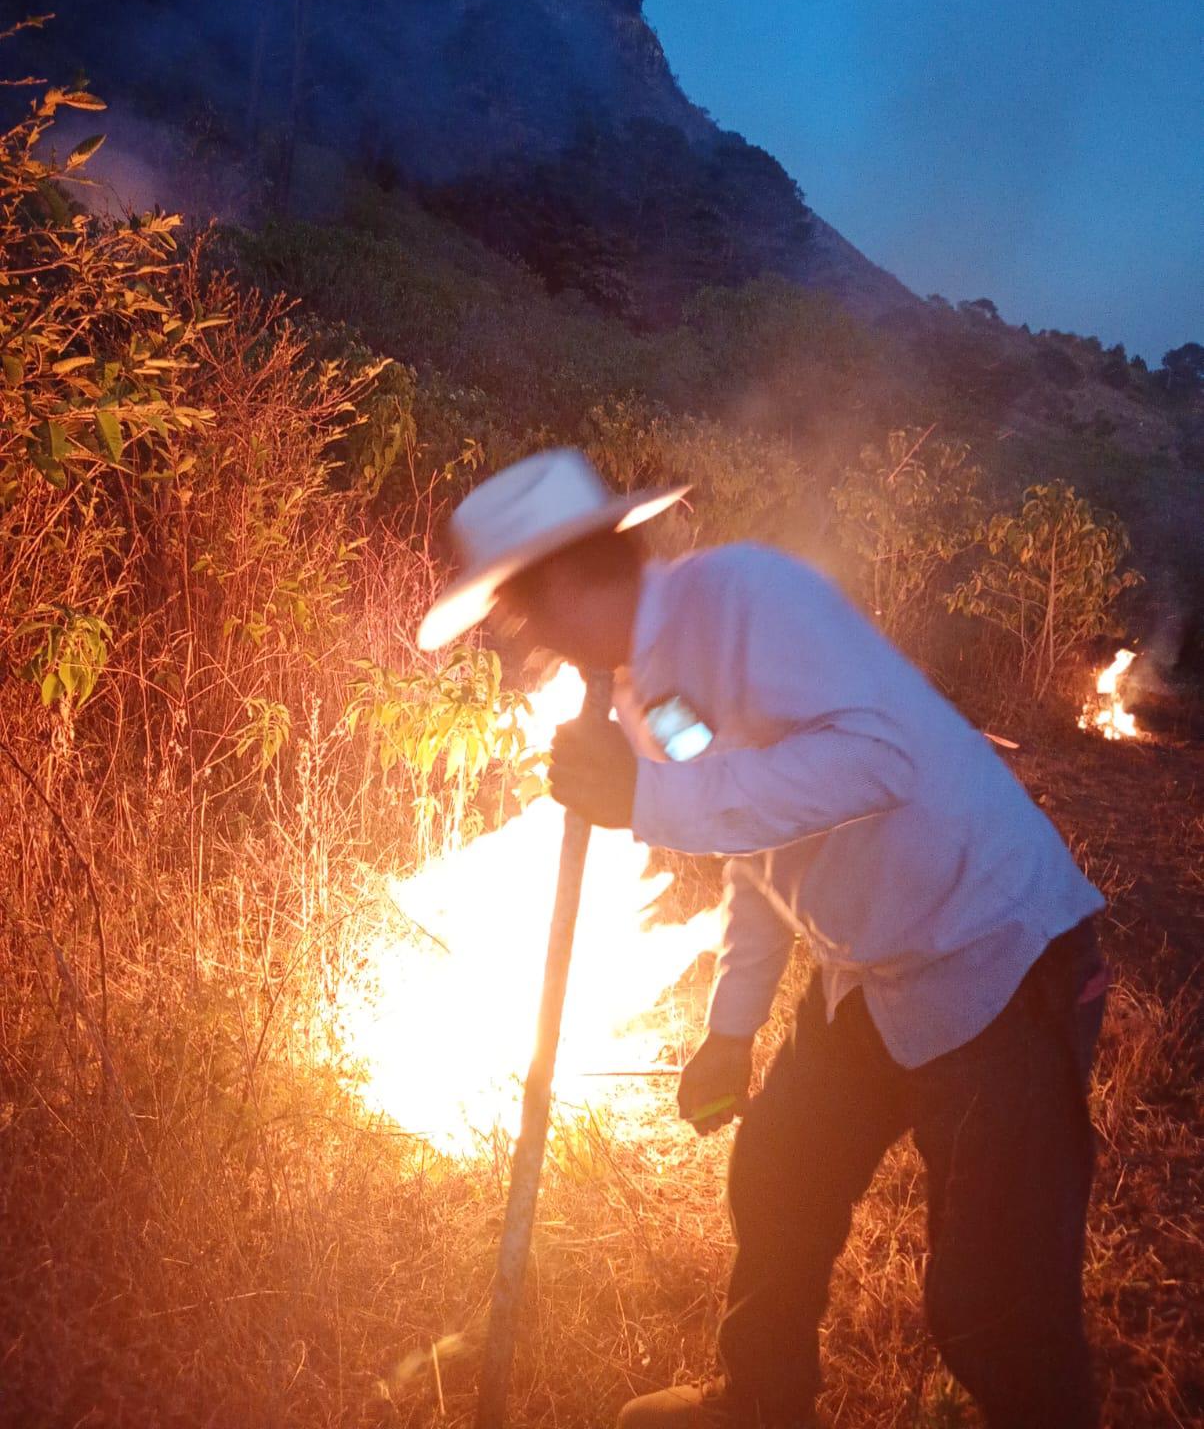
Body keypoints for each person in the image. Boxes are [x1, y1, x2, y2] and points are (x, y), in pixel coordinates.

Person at [419, 448, 1110, 1429]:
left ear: (568, 582)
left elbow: (878, 759)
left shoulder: (746, 598)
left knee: (990, 1311)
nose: (513, 633)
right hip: (871, 974)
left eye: (515, 609)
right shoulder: (636, 686)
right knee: (778, 1172)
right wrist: (732, 1026)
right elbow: (760, 830)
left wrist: (647, 795)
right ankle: (760, 1401)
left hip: (992, 952)